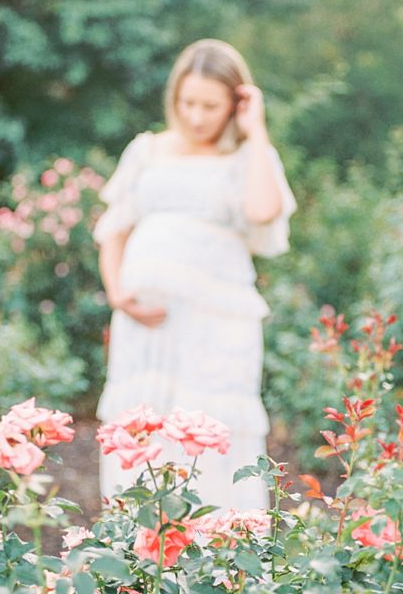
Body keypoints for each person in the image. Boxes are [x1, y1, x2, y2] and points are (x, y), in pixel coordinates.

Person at [93, 38, 296, 511]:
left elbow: (265, 211)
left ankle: (218, 567)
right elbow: (113, 231)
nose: (197, 116)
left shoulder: (248, 158)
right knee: (139, 432)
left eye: (211, 105)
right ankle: (138, 565)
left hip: (216, 330)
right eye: (187, 102)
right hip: (146, 328)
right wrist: (118, 294)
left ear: (234, 103)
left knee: (209, 435)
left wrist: (257, 130)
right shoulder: (146, 151)